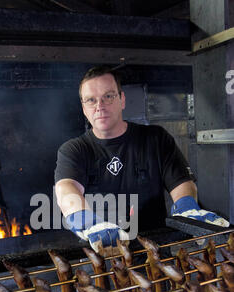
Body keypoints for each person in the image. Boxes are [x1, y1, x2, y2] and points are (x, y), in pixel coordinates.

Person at [54, 65, 229, 255]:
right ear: (84, 108)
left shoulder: (155, 138)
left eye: (108, 96)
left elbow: (181, 182)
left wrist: (187, 207)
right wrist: (87, 221)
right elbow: (66, 188)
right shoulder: (75, 149)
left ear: (122, 99)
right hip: (104, 251)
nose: (99, 106)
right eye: (91, 100)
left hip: (155, 249)